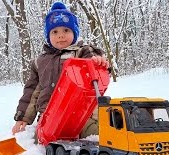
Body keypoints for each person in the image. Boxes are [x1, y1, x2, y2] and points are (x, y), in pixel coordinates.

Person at [12, 2, 109, 139]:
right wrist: (23, 117)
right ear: (48, 35)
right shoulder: (40, 62)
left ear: (74, 32)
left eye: (66, 30)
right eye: (55, 32)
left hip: (81, 115)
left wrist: (98, 62)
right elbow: (32, 91)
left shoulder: (83, 52)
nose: (60, 35)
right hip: (50, 117)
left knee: (99, 134)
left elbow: (95, 67)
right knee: (42, 139)